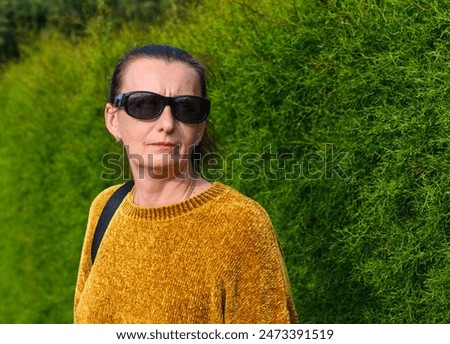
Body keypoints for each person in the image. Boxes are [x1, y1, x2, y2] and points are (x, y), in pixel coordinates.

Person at [74, 44, 298, 324]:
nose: (167, 123)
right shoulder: (106, 208)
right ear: (113, 119)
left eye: (186, 108)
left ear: (200, 126)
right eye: (144, 104)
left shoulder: (240, 224)